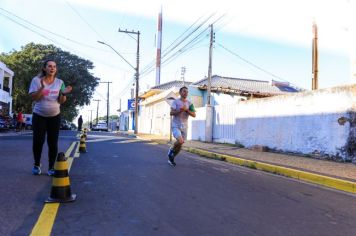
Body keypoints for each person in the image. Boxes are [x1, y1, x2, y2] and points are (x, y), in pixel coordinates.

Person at [29, 59, 72, 176]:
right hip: (39, 115)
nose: (52, 68)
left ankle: (51, 167)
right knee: (38, 141)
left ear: (56, 69)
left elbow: (61, 101)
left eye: (54, 66)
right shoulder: (36, 80)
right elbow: (34, 98)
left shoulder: (60, 82)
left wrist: (63, 94)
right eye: (49, 66)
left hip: (54, 116)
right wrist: (42, 88)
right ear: (44, 68)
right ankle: (37, 165)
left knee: (52, 142)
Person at [168, 86, 196, 166]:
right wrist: (180, 110)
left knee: (181, 144)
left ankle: (172, 157)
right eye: (184, 91)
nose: (186, 93)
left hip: (184, 126)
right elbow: (171, 113)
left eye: (187, 92)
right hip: (175, 125)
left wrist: (186, 110)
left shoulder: (190, 103)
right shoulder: (175, 102)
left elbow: (194, 114)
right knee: (180, 141)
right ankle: (171, 150)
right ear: (180, 93)